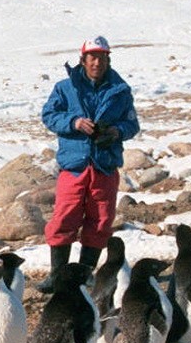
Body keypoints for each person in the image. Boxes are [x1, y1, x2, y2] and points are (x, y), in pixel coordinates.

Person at [40, 36, 139, 274]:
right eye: (93, 57)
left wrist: (117, 131)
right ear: (83, 60)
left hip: (104, 164)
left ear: (108, 60)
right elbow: (49, 115)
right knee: (65, 216)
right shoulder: (65, 88)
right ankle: (58, 276)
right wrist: (74, 122)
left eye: (102, 58)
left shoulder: (121, 90)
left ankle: (84, 275)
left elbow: (132, 124)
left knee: (101, 220)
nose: (97, 63)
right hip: (74, 165)